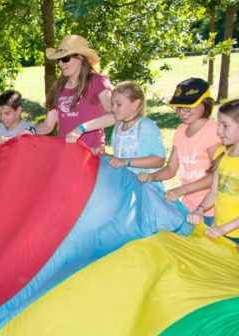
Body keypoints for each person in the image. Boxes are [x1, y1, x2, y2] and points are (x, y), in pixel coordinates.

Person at [138, 78, 221, 220]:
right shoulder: (181, 130)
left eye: (187, 107)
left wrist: (181, 190)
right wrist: (152, 176)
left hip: (211, 209)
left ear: (205, 103)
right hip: (188, 207)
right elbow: (171, 168)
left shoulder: (213, 131)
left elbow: (217, 175)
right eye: (178, 107)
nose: (182, 112)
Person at [35, 35, 113, 150]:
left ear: (81, 58)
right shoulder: (58, 87)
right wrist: (30, 130)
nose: (60, 64)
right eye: (58, 60)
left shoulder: (98, 82)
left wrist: (82, 128)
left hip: (91, 154)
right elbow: (47, 126)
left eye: (65, 58)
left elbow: (113, 114)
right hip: (66, 154)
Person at [186, 99, 239, 249]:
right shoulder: (221, 154)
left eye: (225, 125)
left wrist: (225, 229)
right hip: (220, 231)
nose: (219, 131)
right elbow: (214, 192)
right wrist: (200, 210)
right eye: (218, 125)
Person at [99, 82, 167, 191]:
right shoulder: (118, 128)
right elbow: (120, 159)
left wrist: (126, 162)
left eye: (119, 104)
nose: (113, 109)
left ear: (135, 104)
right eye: (112, 104)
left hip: (146, 189)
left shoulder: (145, 126)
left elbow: (159, 160)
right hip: (126, 188)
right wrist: (104, 155)